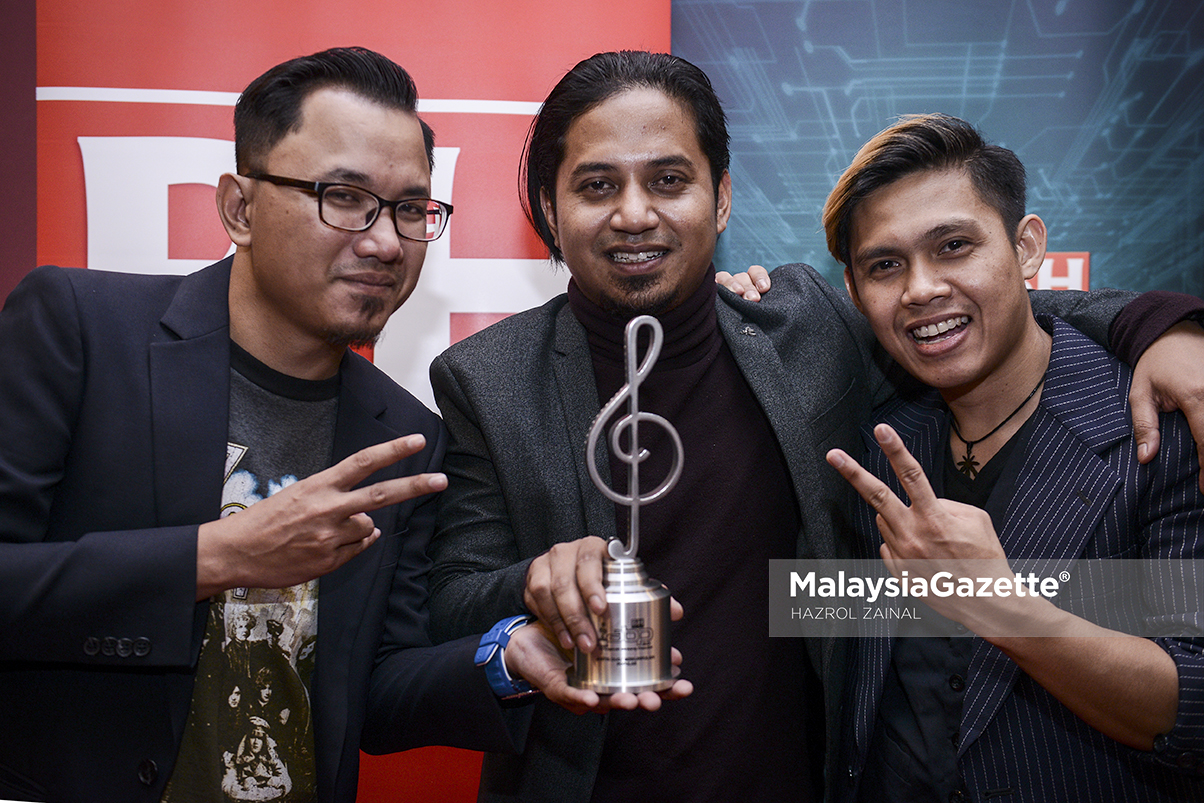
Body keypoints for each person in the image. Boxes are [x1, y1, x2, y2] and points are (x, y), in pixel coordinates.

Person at [426, 50, 1204, 802]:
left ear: (721, 198)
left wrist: (1163, 326)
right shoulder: (485, 377)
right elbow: (449, 602)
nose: (636, 213)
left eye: (669, 179)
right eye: (598, 185)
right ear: (552, 210)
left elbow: (981, 319)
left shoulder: (806, 329)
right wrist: (534, 582)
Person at [0, 46, 620, 803]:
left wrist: (502, 656)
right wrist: (213, 556)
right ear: (238, 206)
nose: (386, 241)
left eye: (409, 209)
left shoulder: (406, 435)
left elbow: (376, 691)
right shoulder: (83, 328)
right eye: (343, 196)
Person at [822, 113, 1204, 801]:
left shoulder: (1158, 426)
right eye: (885, 265)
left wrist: (1000, 606)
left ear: (1027, 249)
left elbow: (1195, 705)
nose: (920, 289)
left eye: (954, 246)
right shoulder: (872, 441)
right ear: (854, 293)